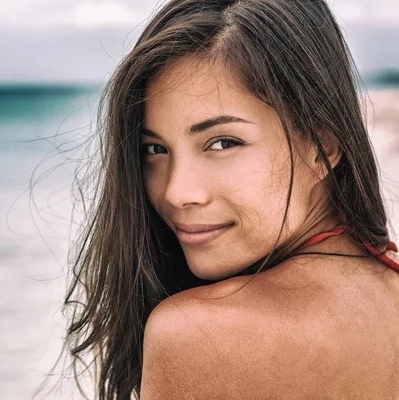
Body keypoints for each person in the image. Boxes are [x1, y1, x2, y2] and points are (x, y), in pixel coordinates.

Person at [60, 0, 399, 398]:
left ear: (322, 144)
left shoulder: (198, 333)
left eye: (222, 142)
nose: (176, 192)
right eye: (154, 150)